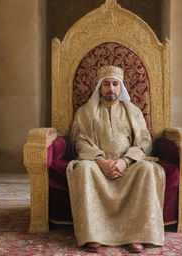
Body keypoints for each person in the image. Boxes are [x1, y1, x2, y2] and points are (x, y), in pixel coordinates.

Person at [66, 65, 165, 253]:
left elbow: (144, 141)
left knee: (147, 169)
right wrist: (101, 161)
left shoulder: (132, 111)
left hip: (127, 165)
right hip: (97, 165)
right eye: (106, 84)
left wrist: (125, 161)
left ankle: (136, 236)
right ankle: (93, 235)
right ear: (99, 88)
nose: (111, 89)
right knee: (83, 169)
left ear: (121, 88)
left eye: (115, 84)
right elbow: (80, 142)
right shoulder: (86, 112)